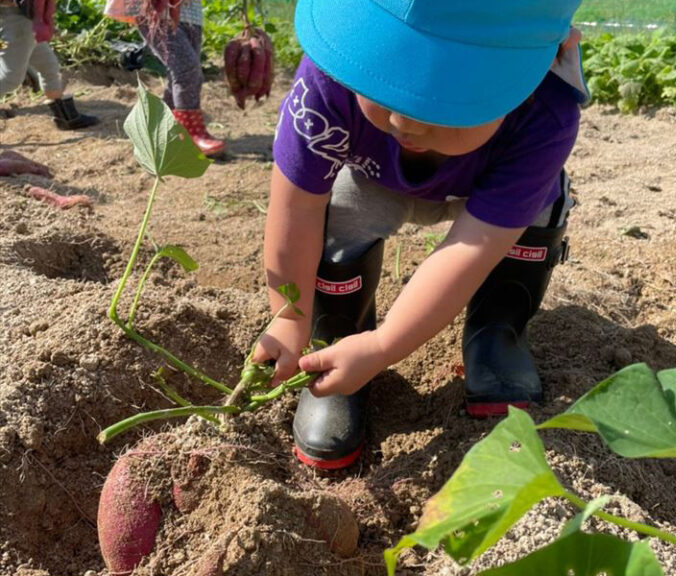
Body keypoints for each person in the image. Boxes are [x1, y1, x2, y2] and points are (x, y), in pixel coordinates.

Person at [253, 0, 590, 470]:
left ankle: (497, 334)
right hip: (373, 179)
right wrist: (290, 317)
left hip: (490, 195)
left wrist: (384, 346)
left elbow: (472, 249)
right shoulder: (331, 77)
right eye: (383, 84)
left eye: (445, 100)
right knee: (339, 213)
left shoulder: (545, 112)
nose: (404, 123)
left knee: (542, 206)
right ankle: (334, 342)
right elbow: (298, 205)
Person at [104, 0, 226, 156]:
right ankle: (189, 134)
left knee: (183, 72)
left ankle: (164, 132)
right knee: (187, 69)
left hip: (191, 13)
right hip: (156, 9)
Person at [0, 0, 99, 129]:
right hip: (16, 19)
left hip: (28, 17)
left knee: (48, 66)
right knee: (11, 78)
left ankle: (64, 117)